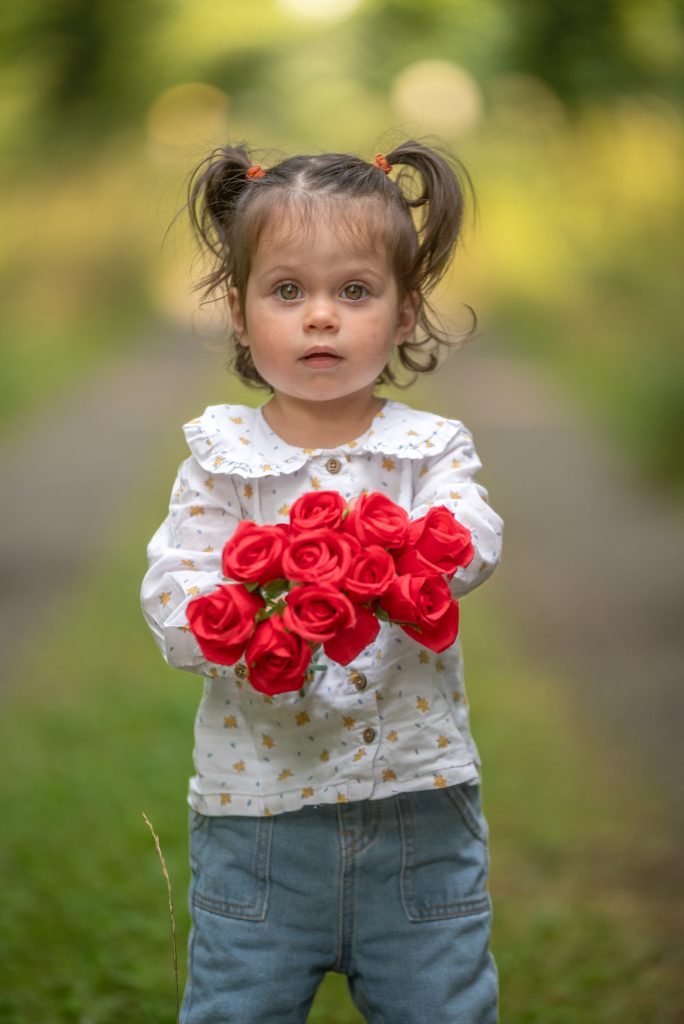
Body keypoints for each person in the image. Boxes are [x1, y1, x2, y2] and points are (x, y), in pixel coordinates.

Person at [141, 140, 503, 1023]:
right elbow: (174, 593)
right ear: (238, 309)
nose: (320, 320)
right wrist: (243, 619)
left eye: (354, 291)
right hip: (258, 815)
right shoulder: (223, 460)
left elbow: (474, 534)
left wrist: (405, 560)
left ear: (406, 310)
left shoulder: (428, 450)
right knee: (238, 1008)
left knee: (442, 1008)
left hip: (418, 806)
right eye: (288, 291)